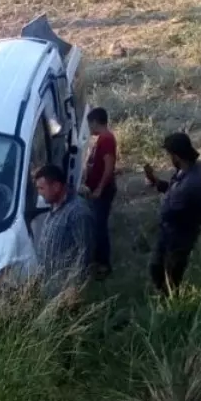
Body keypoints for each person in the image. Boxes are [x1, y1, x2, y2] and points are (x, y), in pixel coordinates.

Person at [144, 132, 201, 294]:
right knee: (156, 267)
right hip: (171, 232)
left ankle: (171, 307)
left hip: (179, 236)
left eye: (170, 155)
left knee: (171, 278)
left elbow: (169, 209)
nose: (169, 158)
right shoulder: (190, 169)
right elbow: (172, 190)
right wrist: (156, 182)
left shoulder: (190, 184)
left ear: (177, 156)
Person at [33, 164, 94, 294]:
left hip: (65, 290)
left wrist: (73, 288)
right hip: (49, 285)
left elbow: (85, 252)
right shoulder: (55, 205)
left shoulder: (78, 212)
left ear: (56, 187)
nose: (39, 193)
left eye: (42, 188)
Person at [83, 108, 118, 275]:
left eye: (90, 123)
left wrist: (99, 188)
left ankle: (103, 264)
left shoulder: (106, 140)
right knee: (96, 224)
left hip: (103, 190)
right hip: (98, 188)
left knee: (99, 226)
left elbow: (109, 167)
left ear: (95, 122)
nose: (89, 127)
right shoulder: (102, 140)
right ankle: (98, 260)